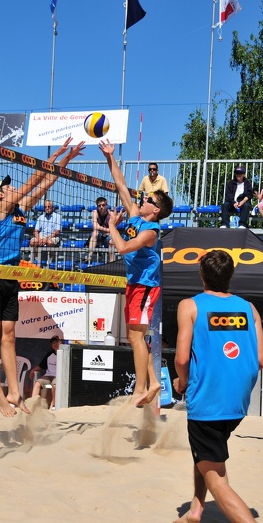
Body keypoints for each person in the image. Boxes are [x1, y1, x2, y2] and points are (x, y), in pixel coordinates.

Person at [0, 137, 84, 417]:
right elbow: (35, 177)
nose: (10, 186)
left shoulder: (20, 212)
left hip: (10, 277)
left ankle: (15, 392)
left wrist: (66, 159)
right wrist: (57, 152)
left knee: (10, 335)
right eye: (6, 186)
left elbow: (46, 183)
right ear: (0, 194)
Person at [173, 250, 263, 523]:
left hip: (208, 401)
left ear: (202, 276)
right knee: (204, 454)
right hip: (236, 403)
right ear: (231, 276)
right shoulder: (249, 308)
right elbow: (261, 359)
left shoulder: (190, 305)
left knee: (217, 480)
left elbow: (181, 358)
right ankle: (196, 509)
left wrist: (182, 381)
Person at [99, 139, 174, 406]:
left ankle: (141, 388)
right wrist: (110, 157)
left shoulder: (150, 233)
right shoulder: (134, 215)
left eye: (149, 199)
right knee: (134, 337)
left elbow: (123, 248)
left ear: (156, 210)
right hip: (134, 284)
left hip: (145, 287)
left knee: (135, 336)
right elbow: (120, 184)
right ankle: (152, 383)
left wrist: (112, 226)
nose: (143, 198)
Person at [31, 335, 61, 409]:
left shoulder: (65, 354)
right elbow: (41, 366)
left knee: (55, 385)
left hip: (58, 376)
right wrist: (33, 370)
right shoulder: (49, 354)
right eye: (53, 342)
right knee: (37, 383)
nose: (55, 344)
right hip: (48, 376)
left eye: (57, 342)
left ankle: (53, 404)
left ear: (61, 342)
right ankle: (32, 404)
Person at [30, 199, 61, 264]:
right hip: (42, 236)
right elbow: (35, 231)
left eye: (49, 206)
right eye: (45, 207)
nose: (47, 208)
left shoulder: (57, 217)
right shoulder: (40, 217)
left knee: (50, 242)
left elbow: (57, 231)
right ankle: (37, 259)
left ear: (52, 207)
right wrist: (39, 239)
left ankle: (50, 259)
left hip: (53, 236)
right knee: (33, 241)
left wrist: (46, 239)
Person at [87, 196, 115, 263]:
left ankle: (112, 262)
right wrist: (107, 230)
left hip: (107, 237)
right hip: (98, 235)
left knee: (112, 241)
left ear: (106, 205)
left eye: (103, 205)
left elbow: (113, 230)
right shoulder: (95, 212)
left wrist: (100, 227)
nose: (101, 207)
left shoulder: (111, 214)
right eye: (99, 205)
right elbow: (95, 227)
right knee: (95, 233)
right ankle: (89, 256)